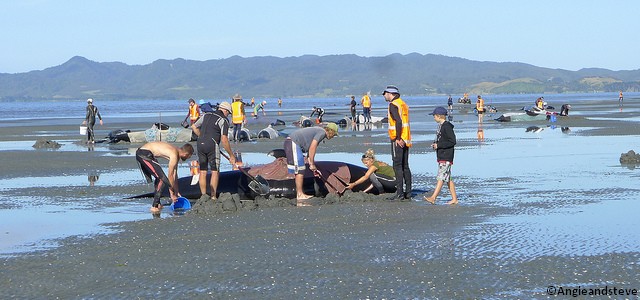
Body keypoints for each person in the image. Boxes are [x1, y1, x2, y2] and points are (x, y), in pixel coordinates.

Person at [191, 102, 237, 202]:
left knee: (203, 171)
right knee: (214, 171)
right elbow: (224, 139)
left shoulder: (206, 115)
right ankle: (213, 197)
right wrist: (231, 155)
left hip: (200, 143)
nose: (228, 115)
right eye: (228, 113)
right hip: (212, 144)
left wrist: (201, 137)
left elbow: (194, 126)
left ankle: (203, 196)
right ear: (225, 110)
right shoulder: (223, 120)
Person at [284, 122, 339, 205]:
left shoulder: (319, 131)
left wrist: (312, 166)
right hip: (293, 142)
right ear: (331, 131)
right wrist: (312, 164)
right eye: (334, 134)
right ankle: (300, 194)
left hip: (292, 142)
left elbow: (310, 150)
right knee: (300, 170)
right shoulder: (322, 132)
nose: (333, 137)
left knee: (300, 169)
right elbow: (313, 147)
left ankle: (300, 193)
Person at [136, 141, 194, 213]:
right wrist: (172, 194)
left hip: (148, 154)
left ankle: (158, 203)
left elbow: (174, 175)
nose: (188, 158)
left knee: (159, 177)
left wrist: (176, 191)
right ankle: (154, 206)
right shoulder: (174, 154)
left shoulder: (176, 152)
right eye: (189, 157)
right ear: (186, 154)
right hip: (143, 154)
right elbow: (170, 175)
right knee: (162, 179)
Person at [382, 85, 412, 201]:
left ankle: (399, 194)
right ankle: (408, 192)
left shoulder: (393, 105)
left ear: (391, 93)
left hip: (398, 139)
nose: (384, 95)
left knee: (397, 166)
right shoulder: (403, 103)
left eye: (385, 93)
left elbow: (398, 121)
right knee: (405, 166)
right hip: (406, 137)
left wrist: (398, 138)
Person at [424, 107, 458, 205]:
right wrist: (436, 145)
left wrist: (439, 145)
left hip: (446, 156)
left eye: (434, 116)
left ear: (439, 116)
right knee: (448, 178)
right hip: (442, 155)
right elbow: (441, 139)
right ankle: (454, 199)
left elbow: (452, 141)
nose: (433, 117)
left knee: (441, 177)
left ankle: (433, 197)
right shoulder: (441, 126)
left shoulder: (446, 126)